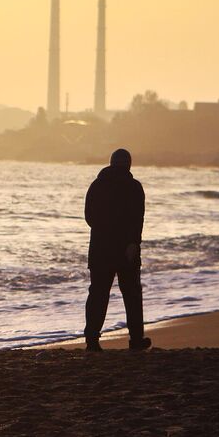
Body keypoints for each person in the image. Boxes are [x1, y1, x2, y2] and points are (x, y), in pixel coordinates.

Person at [83, 148, 151, 352]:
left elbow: (89, 217)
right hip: (126, 250)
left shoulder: (96, 185)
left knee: (98, 294)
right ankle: (136, 340)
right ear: (129, 164)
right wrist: (133, 243)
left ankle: (92, 341)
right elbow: (138, 220)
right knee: (131, 295)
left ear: (111, 163)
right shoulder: (134, 187)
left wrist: (104, 231)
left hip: (100, 249)